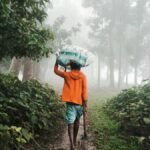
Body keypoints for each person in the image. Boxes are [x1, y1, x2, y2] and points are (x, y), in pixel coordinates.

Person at [54, 60, 88, 150]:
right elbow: (84, 90)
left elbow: (56, 71)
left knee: (70, 123)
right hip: (79, 103)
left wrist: (57, 61)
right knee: (77, 121)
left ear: (71, 67)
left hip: (70, 103)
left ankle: (72, 145)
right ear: (79, 67)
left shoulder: (67, 75)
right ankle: (75, 139)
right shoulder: (83, 76)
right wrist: (85, 103)